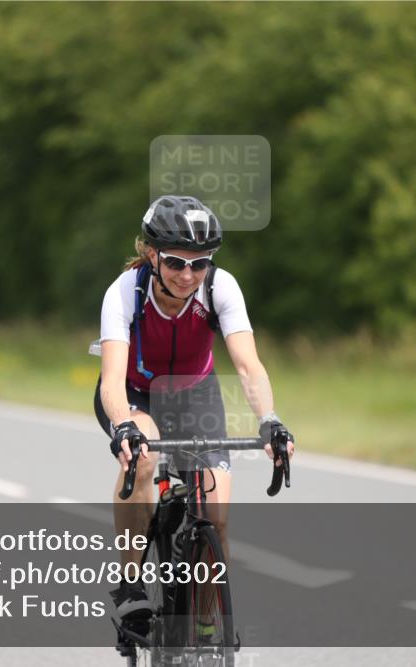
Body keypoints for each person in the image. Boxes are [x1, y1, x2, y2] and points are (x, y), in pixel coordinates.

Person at [93, 195, 295, 637]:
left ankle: (206, 628)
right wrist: (124, 424)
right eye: (175, 263)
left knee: (216, 517)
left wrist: (270, 420)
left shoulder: (220, 287)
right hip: (134, 394)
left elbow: (247, 365)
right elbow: (110, 379)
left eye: (199, 264)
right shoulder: (125, 292)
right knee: (142, 458)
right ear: (152, 255)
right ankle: (131, 585)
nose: (188, 275)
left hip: (195, 395)